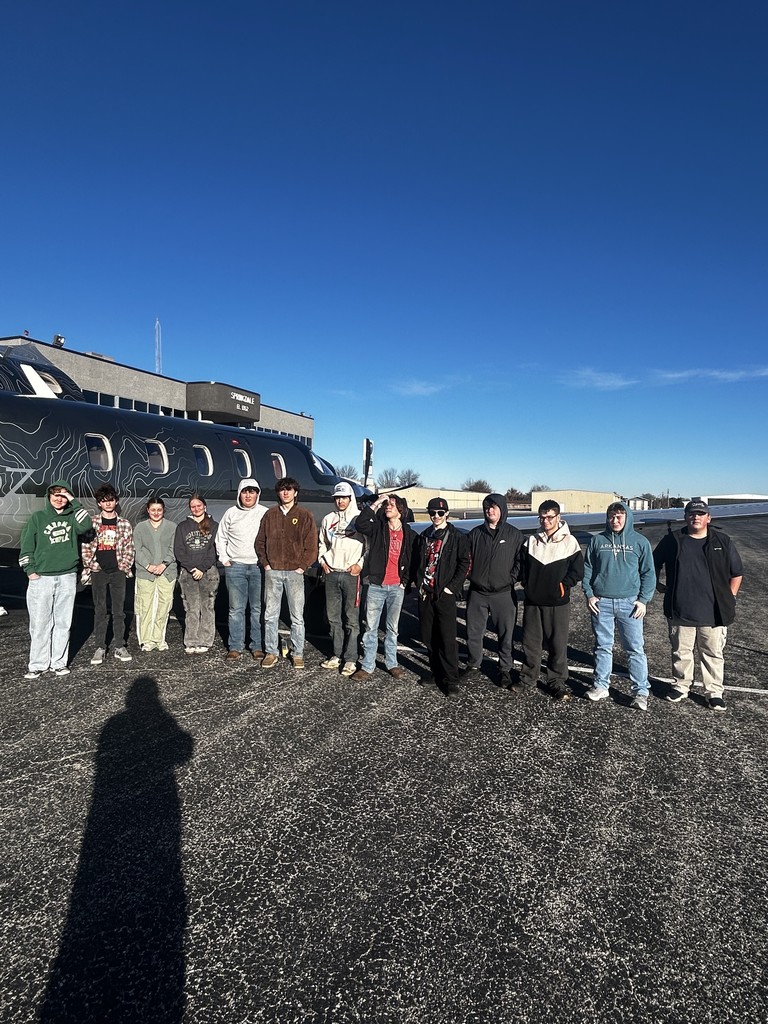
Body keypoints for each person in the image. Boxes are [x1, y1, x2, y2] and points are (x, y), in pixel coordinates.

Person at [653, 499, 743, 712]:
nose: (696, 517)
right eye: (692, 514)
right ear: (685, 517)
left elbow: (736, 573)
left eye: (701, 514)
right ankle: (681, 686)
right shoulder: (673, 540)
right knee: (681, 652)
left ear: (708, 518)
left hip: (713, 612)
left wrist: (730, 597)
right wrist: (656, 583)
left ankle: (714, 692)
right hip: (680, 609)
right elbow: (653, 563)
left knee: (712, 653)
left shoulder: (722, 540)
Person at [582, 502, 656, 710]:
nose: (615, 521)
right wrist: (589, 595)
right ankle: (601, 685)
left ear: (627, 518)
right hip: (602, 603)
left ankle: (640, 691)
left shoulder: (640, 542)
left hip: (629, 604)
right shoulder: (597, 541)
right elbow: (588, 569)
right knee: (602, 646)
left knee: (634, 648)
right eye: (611, 517)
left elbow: (648, 573)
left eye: (620, 517)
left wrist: (643, 600)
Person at [19, 479, 92, 679]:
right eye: (55, 495)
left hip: (67, 575)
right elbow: (26, 545)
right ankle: (37, 664)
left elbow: (86, 525)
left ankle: (58, 663)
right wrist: (30, 570)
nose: (59, 499)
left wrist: (73, 501)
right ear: (49, 496)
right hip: (42, 578)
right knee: (40, 622)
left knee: (63, 622)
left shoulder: (72, 518)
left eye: (63, 495)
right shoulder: (38, 518)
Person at [517, 500, 584, 701]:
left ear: (558, 518)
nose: (546, 521)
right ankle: (528, 678)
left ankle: (556, 681)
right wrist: (527, 584)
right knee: (531, 643)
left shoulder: (570, 542)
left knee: (557, 644)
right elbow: (523, 567)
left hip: (557, 603)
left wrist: (563, 586)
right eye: (542, 517)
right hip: (533, 602)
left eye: (550, 517)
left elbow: (577, 571)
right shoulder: (531, 540)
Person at [351, 494, 416, 681]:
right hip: (376, 585)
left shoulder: (409, 533)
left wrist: (405, 581)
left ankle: (392, 663)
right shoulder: (378, 528)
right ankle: (368, 665)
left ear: (401, 511)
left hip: (397, 586)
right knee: (371, 627)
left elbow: (412, 559)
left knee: (392, 628)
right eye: (387, 504)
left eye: (392, 505)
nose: (388, 507)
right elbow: (361, 524)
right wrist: (377, 502)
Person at [255, 477, 318, 669]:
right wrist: (266, 564)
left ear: (295, 493)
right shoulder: (270, 515)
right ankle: (271, 652)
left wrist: (302, 566)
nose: (286, 493)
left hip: (294, 573)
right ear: (278, 493)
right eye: (282, 490)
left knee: (297, 616)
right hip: (273, 571)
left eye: (289, 490)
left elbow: (312, 546)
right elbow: (260, 542)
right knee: (270, 615)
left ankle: (297, 652)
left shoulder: (305, 515)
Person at [413, 497, 470, 694]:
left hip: (444, 594)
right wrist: (417, 583)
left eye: (439, 513)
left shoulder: (457, 537)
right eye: (432, 513)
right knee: (429, 637)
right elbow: (417, 562)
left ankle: (451, 678)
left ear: (446, 513)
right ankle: (436, 672)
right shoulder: (424, 536)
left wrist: (451, 588)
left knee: (447, 637)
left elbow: (464, 564)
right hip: (425, 593)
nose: (435, 516)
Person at [465, 493, 524, 685]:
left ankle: (505, 669)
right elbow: (466, 560)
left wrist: (510, 579)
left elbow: (520, 562)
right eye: (487, 507)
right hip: (478, 593)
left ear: (502, 509)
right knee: (474, 632)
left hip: (503, 594)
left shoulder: (514, 535)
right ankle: (474, 665)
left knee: (506, 635)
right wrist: (471, 576)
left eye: (494, 507)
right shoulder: (475, 533)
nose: (490, 510)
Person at [81, 484, 135, 665]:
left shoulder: (124, 524)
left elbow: (129, 547)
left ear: (116, 501)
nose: (108, 504)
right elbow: (86, 546)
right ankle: (100, 647)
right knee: (100, 610)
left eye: (111, 500)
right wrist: (93, 565)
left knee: (119, 611)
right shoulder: (93, 522)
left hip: (118, 572)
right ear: (99, 504)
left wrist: (123, 565)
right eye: (104, 501)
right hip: (99, 572)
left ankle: (119, 645)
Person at [216, 478, 267, 663]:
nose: (248, 495)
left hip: (258, 567)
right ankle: (235, 646)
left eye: (252, 492)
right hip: (235, 567)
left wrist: (267, 562)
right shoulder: (231, 513)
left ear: (257, 494)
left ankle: (257, 646)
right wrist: (225, 559)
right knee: (236, 609)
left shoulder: (265, 513)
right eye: (245, 492)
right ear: (239, 493)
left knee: (257, 609)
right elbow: (220, 537)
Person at [318, 482, 364, 677]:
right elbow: (322, 543)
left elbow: (369, 546)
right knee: (333, 617)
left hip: (351, 575)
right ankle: (336, 655)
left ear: (350, 498)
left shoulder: (360, 519)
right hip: (332, 573)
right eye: (337, 498)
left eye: (344, 497)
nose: (340, 501)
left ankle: (351, 658)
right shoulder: (328, 519)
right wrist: (322, 562)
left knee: (352, 619)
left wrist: (360, 565)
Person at [174, 494, 220, 654]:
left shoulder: (214, 525)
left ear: (205, 507)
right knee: (191, 608)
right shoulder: (182, 527)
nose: (196, 508)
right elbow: (179, 551)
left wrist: (202, 568)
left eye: (199, 505)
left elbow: (214, 551)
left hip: (208, 572)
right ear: (190, 508)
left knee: (207, 607)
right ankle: (191, 640)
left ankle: (205, 640)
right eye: (193, 506)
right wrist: (191, 567)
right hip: (188, 572)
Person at [133, 497, 178, 652]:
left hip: (167, 572)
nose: (156, 513)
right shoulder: (140, 527)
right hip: (146, 573)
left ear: (163, 510)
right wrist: (148, 565)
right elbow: (137, 549)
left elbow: (174, 548)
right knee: (145, 606)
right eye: (153, 510)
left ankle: (159, 638)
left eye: (159, 510)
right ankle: (146, 639)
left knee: (164, 605)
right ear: (148, 510)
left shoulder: (172, 527)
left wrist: (163, 564)